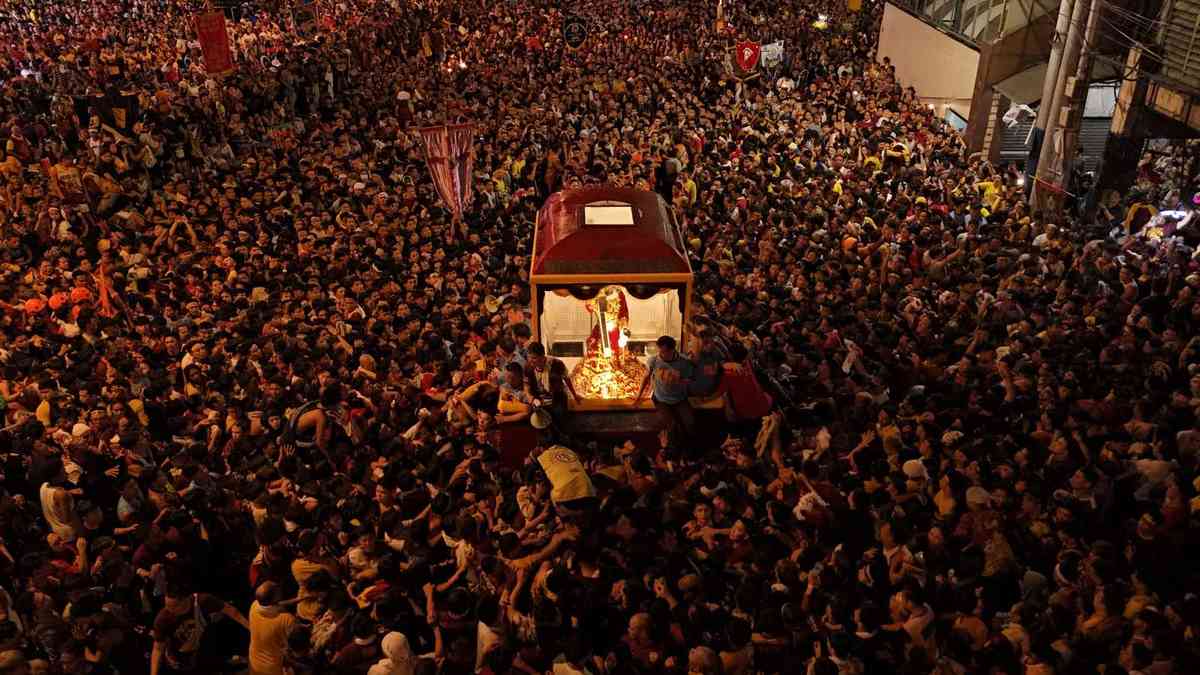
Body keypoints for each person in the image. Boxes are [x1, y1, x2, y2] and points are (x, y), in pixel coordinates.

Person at [635, 335, 696, 449]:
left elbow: (691, 380)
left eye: (664, 352)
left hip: (679, 399)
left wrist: (679, 380)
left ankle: (690, 450)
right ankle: (671, 453)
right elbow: (646, 377)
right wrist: (639, 396)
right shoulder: (653, 360)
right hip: (661, 399)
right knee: (672, 426)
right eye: (660, 351)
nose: (661, 354)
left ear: (672, 350)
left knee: (690, 423)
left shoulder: (684, 362)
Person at [247, 582, 296, 675]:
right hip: (272, 667)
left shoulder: (254, 605)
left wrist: (297, 599)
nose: (278, 586)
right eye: (276, 588)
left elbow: (273, 605)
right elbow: (292, 646)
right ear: (275, 597)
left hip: (254, 661)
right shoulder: (286, 619)